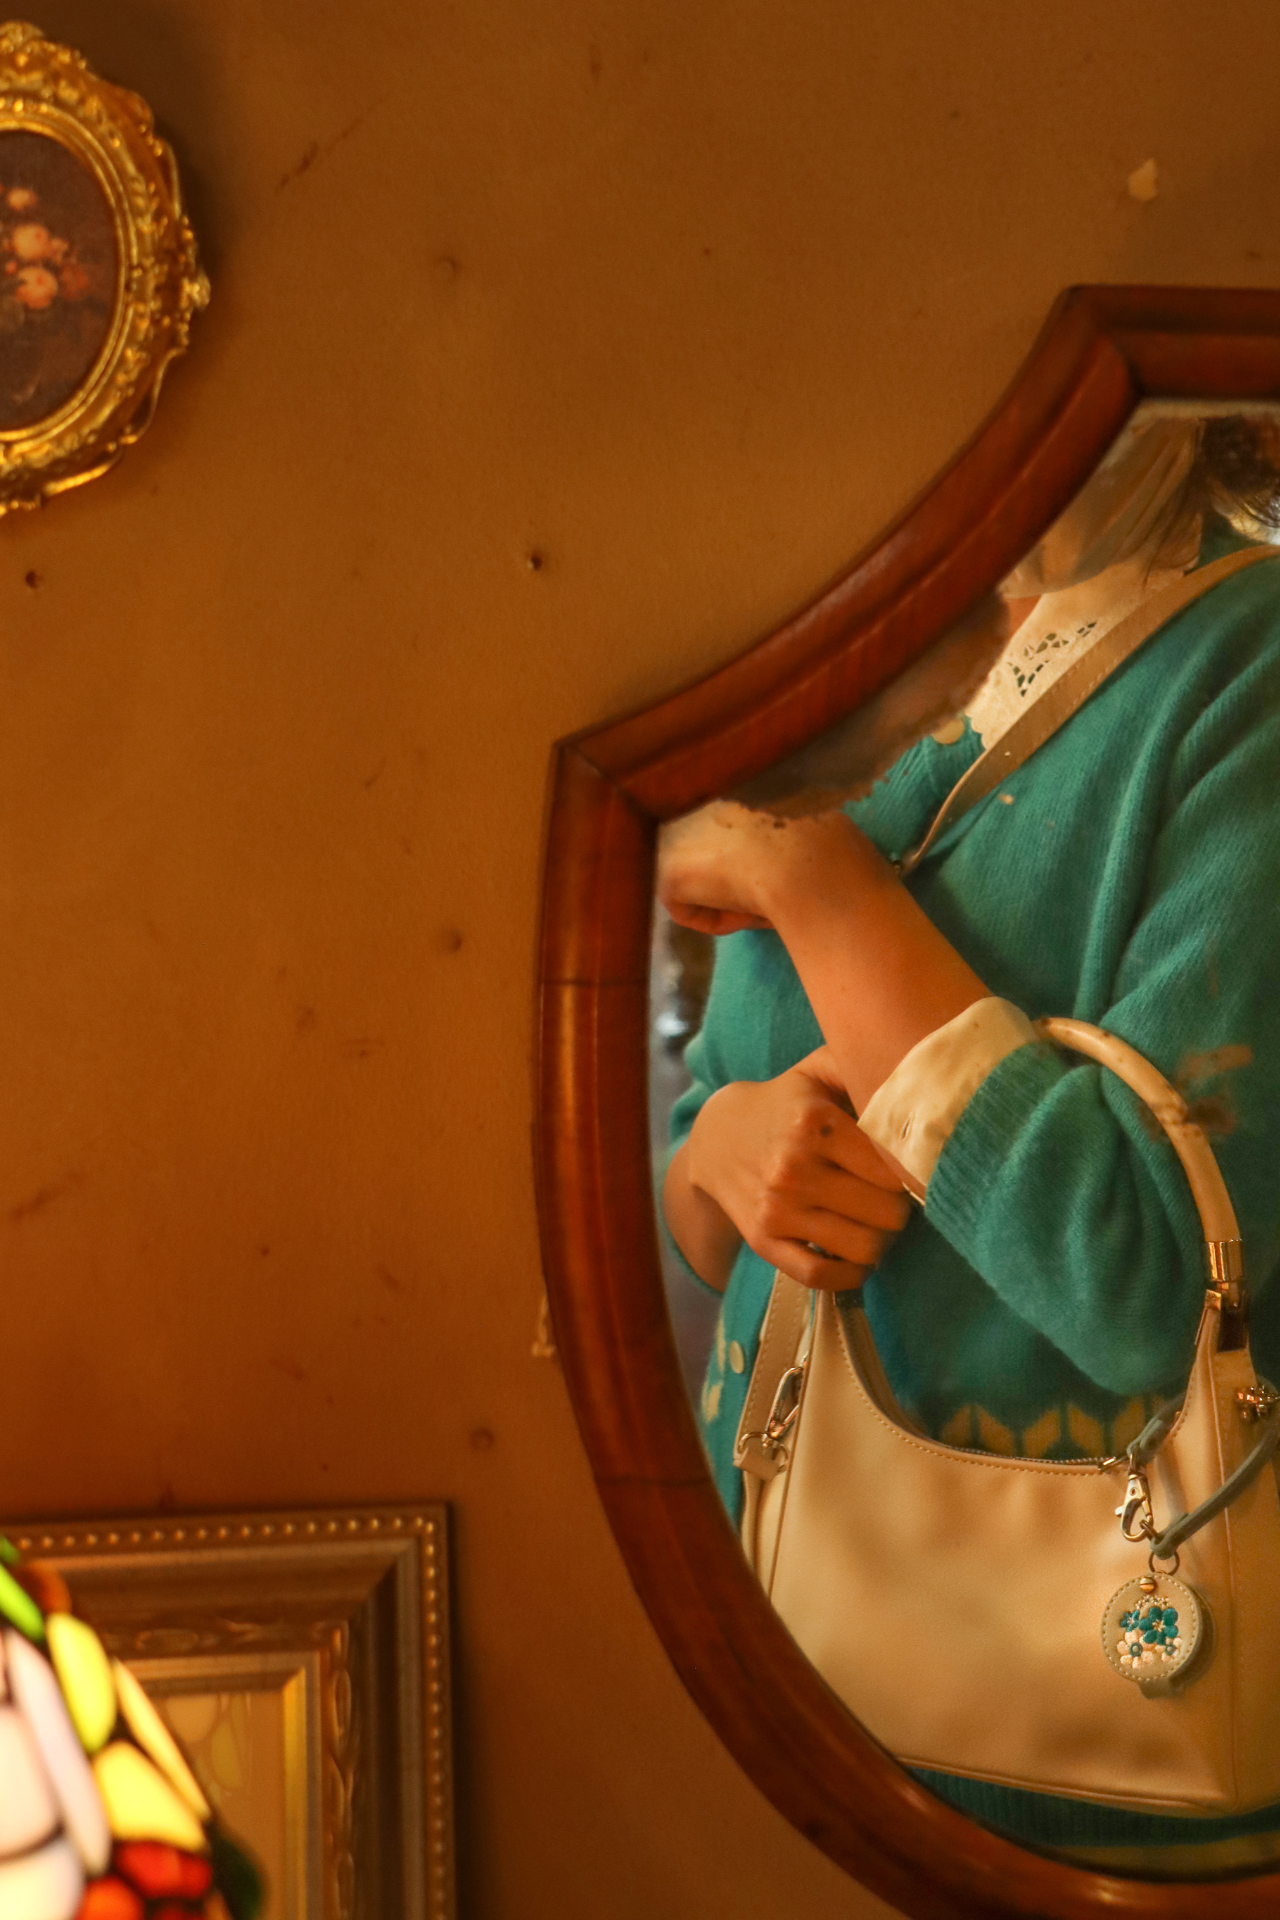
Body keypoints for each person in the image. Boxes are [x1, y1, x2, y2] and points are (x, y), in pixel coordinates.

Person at [657, 411, 1280, 1860]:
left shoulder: (1248, 667)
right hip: (767, 1682)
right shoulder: (836, 642)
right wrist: (721, 1154)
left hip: (1092, 1782)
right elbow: (696, 1189)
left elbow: (1155, 1287)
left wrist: (815, 881)